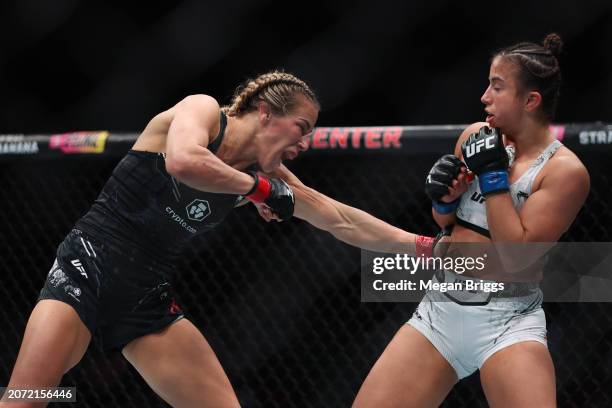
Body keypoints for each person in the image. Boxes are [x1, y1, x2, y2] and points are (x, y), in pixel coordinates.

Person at [261, 34, 589, 407]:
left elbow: (516, 258)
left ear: (530, 101)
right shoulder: (475, 136)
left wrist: (494, 178)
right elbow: (448, 225)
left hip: (508, 321)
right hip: (441, 310)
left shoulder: (564, 172)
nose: (484, 97)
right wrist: (445, 200)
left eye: (497, 87)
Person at [1, 71, 321, 408]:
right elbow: (183, 160)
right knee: (24, 399)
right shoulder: (203, 113)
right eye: (301, 128)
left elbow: (339, 217)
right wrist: (257, 190)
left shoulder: (264, 171)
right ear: (266, 112)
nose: (303, 143)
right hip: (86, 267)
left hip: (145, 297)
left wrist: (385, 242)